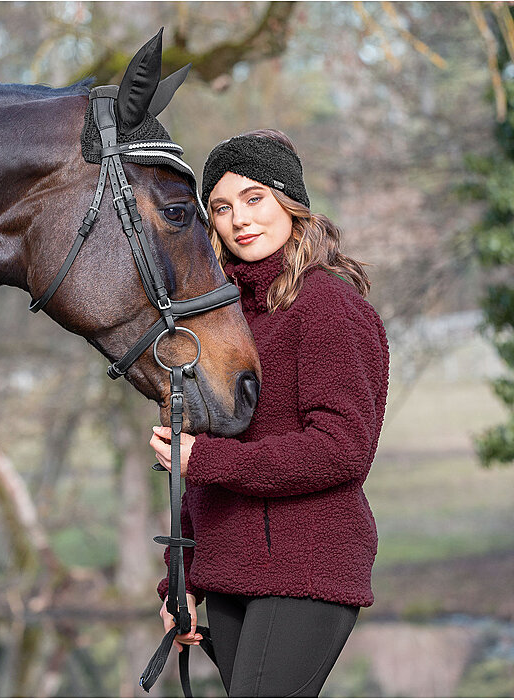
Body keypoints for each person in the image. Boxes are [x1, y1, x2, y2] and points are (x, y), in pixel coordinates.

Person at [150, 128, 390, 697]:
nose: (240, 220)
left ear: (290, 202)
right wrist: (179, 584)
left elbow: (342, 449)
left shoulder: (328, 307)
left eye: (254, 198)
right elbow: (199, 465)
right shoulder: (219, 322)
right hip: (228, 567)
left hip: (307, 566)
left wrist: (204, 459)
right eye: (222, 208)